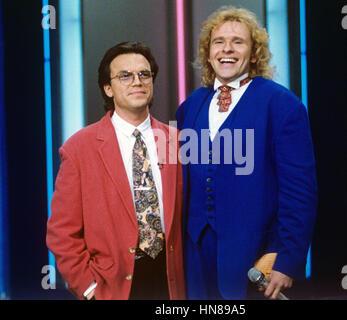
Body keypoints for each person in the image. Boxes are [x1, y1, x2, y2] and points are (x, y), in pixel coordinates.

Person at [176, 6, 318, 300]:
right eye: (219, 42)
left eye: (238, 42)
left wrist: (286, 259)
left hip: (254, 256)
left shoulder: (282, 105)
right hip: (194, 256)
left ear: (254, 54)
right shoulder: (190, 106)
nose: (227, 49)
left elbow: (300, 192)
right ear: (208, 52)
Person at [47, 42, 185, 300]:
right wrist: (89, 289)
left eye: (144, 74)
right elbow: (61, 233)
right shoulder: (79, 148)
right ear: (107, 88)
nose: (137, 81)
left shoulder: (175, 141)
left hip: (171, 281)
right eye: (125, 75)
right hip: (114, 286)